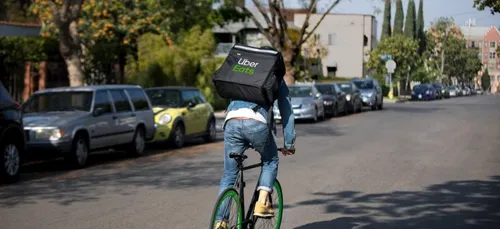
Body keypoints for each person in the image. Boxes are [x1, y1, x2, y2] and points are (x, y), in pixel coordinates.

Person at [214, 46, 296, 228]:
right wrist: (288, 143)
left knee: (229, 175)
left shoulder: (244, 73)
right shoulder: (276, 78)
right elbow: (286, 111)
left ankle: (221, 221)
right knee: (270, 161)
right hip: (257, 123)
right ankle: (262, 202)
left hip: (232, 121)